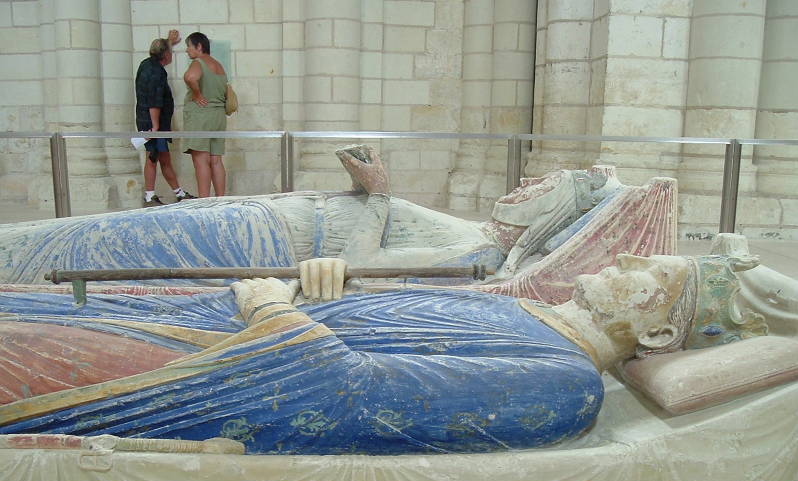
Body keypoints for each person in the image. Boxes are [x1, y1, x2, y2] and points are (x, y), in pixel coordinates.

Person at [0, 250, 770, 455]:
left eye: (645, 277)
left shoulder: (566, 385)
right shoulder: (533, 312)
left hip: (196, 373)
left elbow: (339, 396)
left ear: (662, 336)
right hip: (217, 320)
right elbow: (376, 321)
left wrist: (271, 304)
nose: (620, 264)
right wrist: (316, 285)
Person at [0, 147, 677, 304]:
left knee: (70, 248)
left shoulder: (476, 255)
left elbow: (359, 270)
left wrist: (375, 196)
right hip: (265, 217)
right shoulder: (471, 233)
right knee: (82, 232)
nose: (530, 183)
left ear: (553, 219)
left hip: (263, 241)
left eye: (544, 189)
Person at [135, 29, 195, 205]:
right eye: (170, 51)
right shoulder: (157, 72)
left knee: (162, 157)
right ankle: (150, 195)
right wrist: (155, 127)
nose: (172, 55)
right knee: (154, 156)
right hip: (154, 123)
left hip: (148, 120)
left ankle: (178, 192)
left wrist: (169, 41)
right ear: (165, 55)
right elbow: (154, 101)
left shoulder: (146, 64)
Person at [183, 31, 228, 198]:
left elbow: (190, 77)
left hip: (201, 117)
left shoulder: (198, 62)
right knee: (216, 160)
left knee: (201, 160)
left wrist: (197, 94)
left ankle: (204, 202)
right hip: (218, 117)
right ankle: (220, 200)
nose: (187, 50)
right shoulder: (219, 65)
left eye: (188, 46)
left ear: (199, 46)